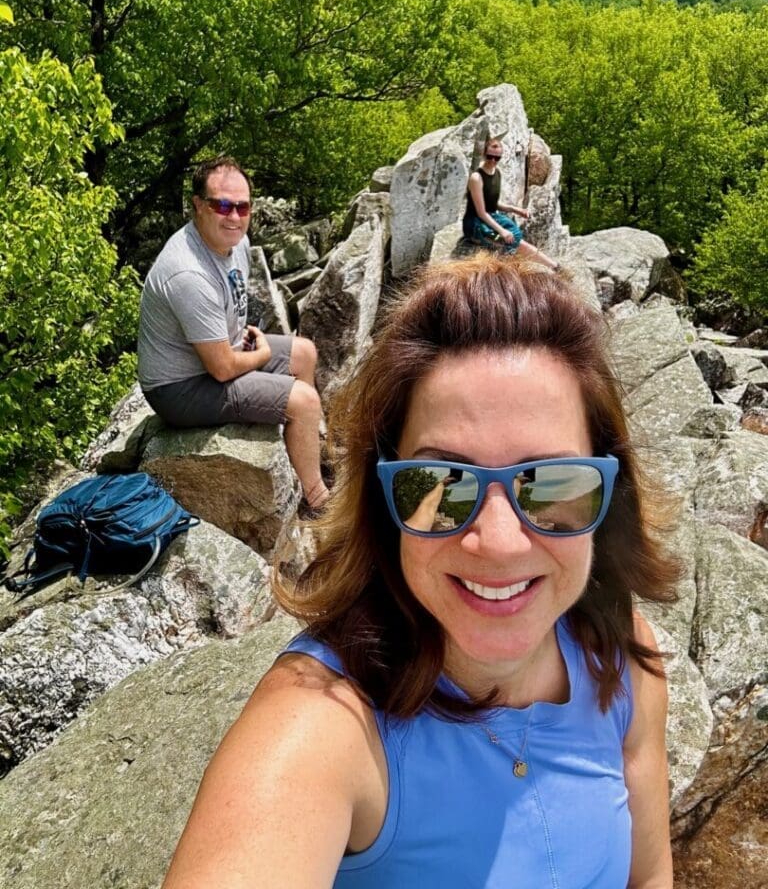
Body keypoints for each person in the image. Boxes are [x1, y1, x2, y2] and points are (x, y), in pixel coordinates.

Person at [162, 254, 681, 889]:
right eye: (441, 484)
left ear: (609, 492)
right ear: (384, 499)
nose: (497, 542)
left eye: (551, 483)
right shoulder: (323, 724)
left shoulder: (621, 659)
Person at [138, 155, 328, 511]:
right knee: (304, 401)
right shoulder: (187, 273)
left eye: (243, 207)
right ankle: (316, 498)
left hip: (218, 351)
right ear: (198, 206)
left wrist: (247, 342)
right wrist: (261, 356)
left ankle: (307, 448)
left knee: (304, 352)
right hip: (179, 388)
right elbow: (222, 369)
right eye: (222, 205)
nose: (235, 216)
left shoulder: (232, 241)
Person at [464, 137, 560, 270]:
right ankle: (553, 266)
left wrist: (515, 210)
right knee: (511, 241)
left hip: (490, 216)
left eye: (497, 158)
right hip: (476, 222)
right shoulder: (476, 178)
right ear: (484, 154)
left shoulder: (496, 173)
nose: (493, 161)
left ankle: (554, 266)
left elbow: (493, 203)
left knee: (515, 236)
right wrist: (502, 231)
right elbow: (481, 212)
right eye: (490, 156)